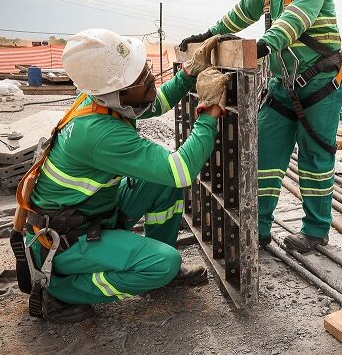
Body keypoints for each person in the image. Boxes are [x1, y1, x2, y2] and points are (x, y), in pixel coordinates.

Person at [19, 28, 228, 323]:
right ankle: (59, 291)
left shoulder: (99, 98)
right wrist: (209, 113)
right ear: (117, 91)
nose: (151, 79)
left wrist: (188, 73)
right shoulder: (98, 134)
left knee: (161, 183)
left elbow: (152, 104)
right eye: (142, 79)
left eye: (145, 70)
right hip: (64, 241)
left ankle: (160, 270)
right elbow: (182, 170)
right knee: (163, 262)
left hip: (89, 215)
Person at [180, 0, 342, 253]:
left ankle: (316, 231)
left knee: (315, 161)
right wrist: (209, 33)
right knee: (262, 155)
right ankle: (257, 228)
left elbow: (298, 16)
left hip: (319, 84)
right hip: (283, 85)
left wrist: (265, 45)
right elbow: (243, 11)